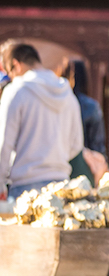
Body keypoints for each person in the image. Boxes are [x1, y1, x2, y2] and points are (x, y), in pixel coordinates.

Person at [0, 43, 83, 201]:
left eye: (10, 73)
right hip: (61, 186)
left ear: (16, 65)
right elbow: (76, 144)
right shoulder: (67, 94)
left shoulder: (16, 91)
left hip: (24, 187)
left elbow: (4, 144)